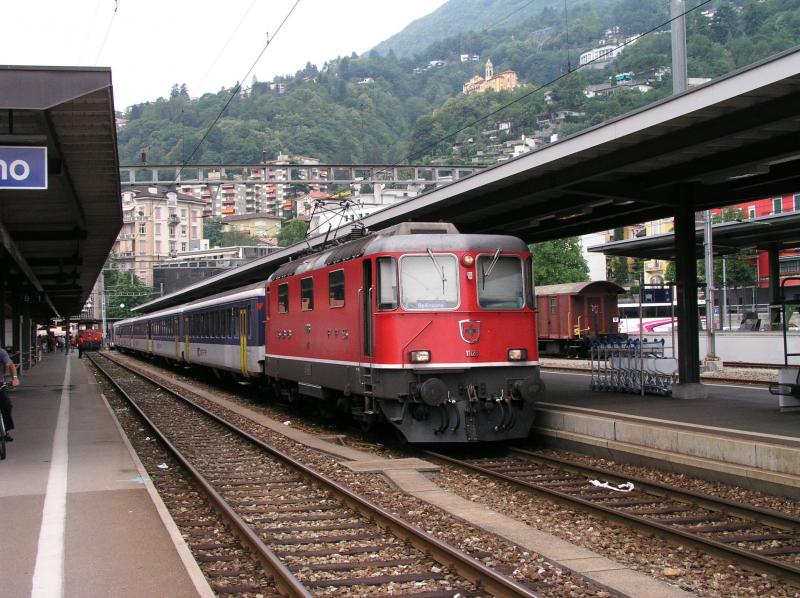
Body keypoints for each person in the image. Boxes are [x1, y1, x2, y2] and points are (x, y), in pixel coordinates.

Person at [0, 347, 20, 442]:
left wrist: (15, 378)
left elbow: (11, 365)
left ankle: (5, 430)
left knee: (7, 404)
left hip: (0, 384)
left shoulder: (1, 352)